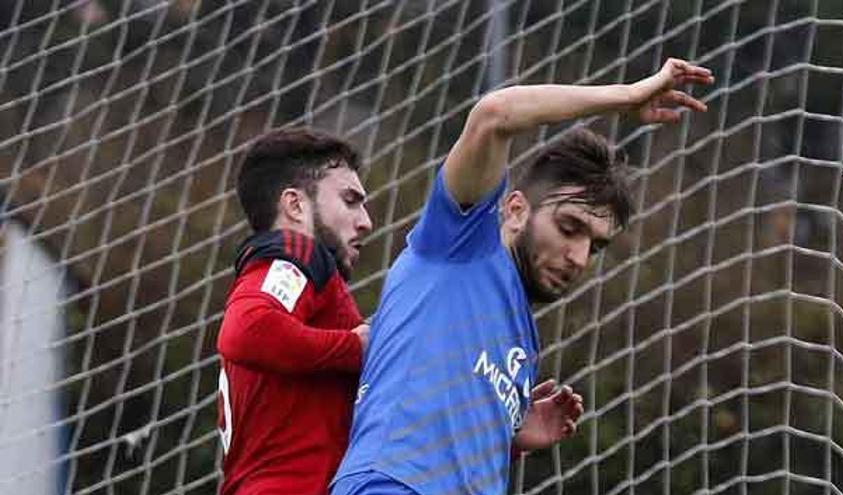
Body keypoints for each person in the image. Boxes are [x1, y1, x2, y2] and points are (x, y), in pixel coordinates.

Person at [331, 58, 714, 494]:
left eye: (596, 245)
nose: (579, 256)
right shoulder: (462, 242)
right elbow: (493, 115)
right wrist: (624, 96)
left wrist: (505, 434)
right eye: (569, 228)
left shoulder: (523, 342)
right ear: (515, 211)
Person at [216, 128, 373, 494]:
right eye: (350, 200)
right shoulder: (294, 255)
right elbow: (247, 330)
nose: (366, 220)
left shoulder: (304, 294)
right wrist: (356, 348)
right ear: (295, 205)